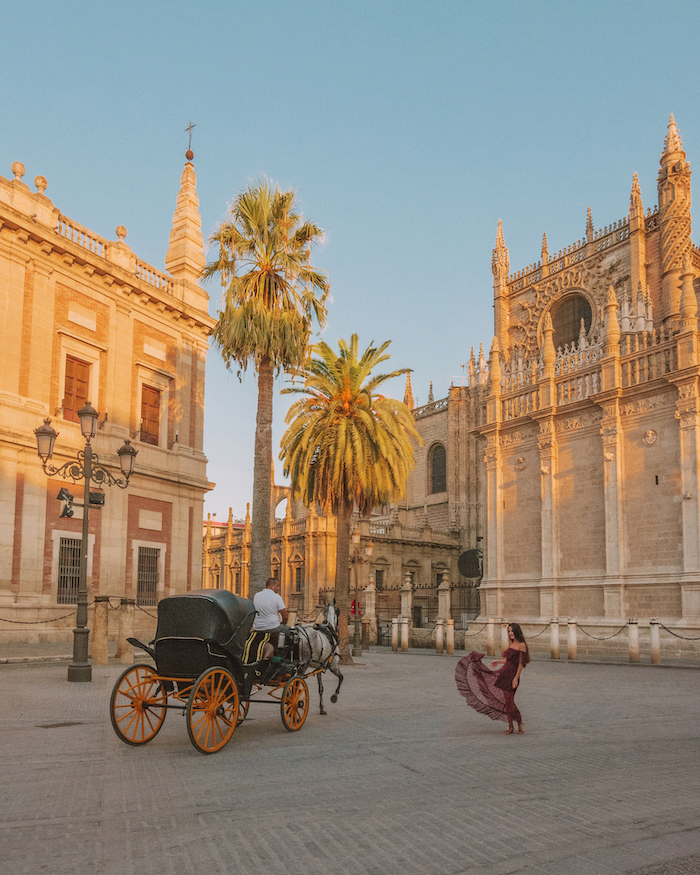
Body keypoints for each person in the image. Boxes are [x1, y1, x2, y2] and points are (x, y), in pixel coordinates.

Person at [454, 622, 530, 735]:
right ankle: (510, 726)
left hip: (512, 676)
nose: (510, 633)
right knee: (506, 701)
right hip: (504, 674)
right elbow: (509, 660)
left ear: (516, 631)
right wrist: (499, 661)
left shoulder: (521, 645)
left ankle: (519, 722)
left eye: (512, 631)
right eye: (508, 631)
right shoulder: (511, 643)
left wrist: (516, 678)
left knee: (510, 700)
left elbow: (520, 664)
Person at [250, 577, 289, 661]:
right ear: (272, 585)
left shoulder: (257, 595)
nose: (278, 588)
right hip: (272, 627)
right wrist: (283, 623)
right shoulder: (276, 597)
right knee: (290, 632)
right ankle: (282, 654)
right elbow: (285, 615)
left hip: (258, 627)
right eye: (277, 586)